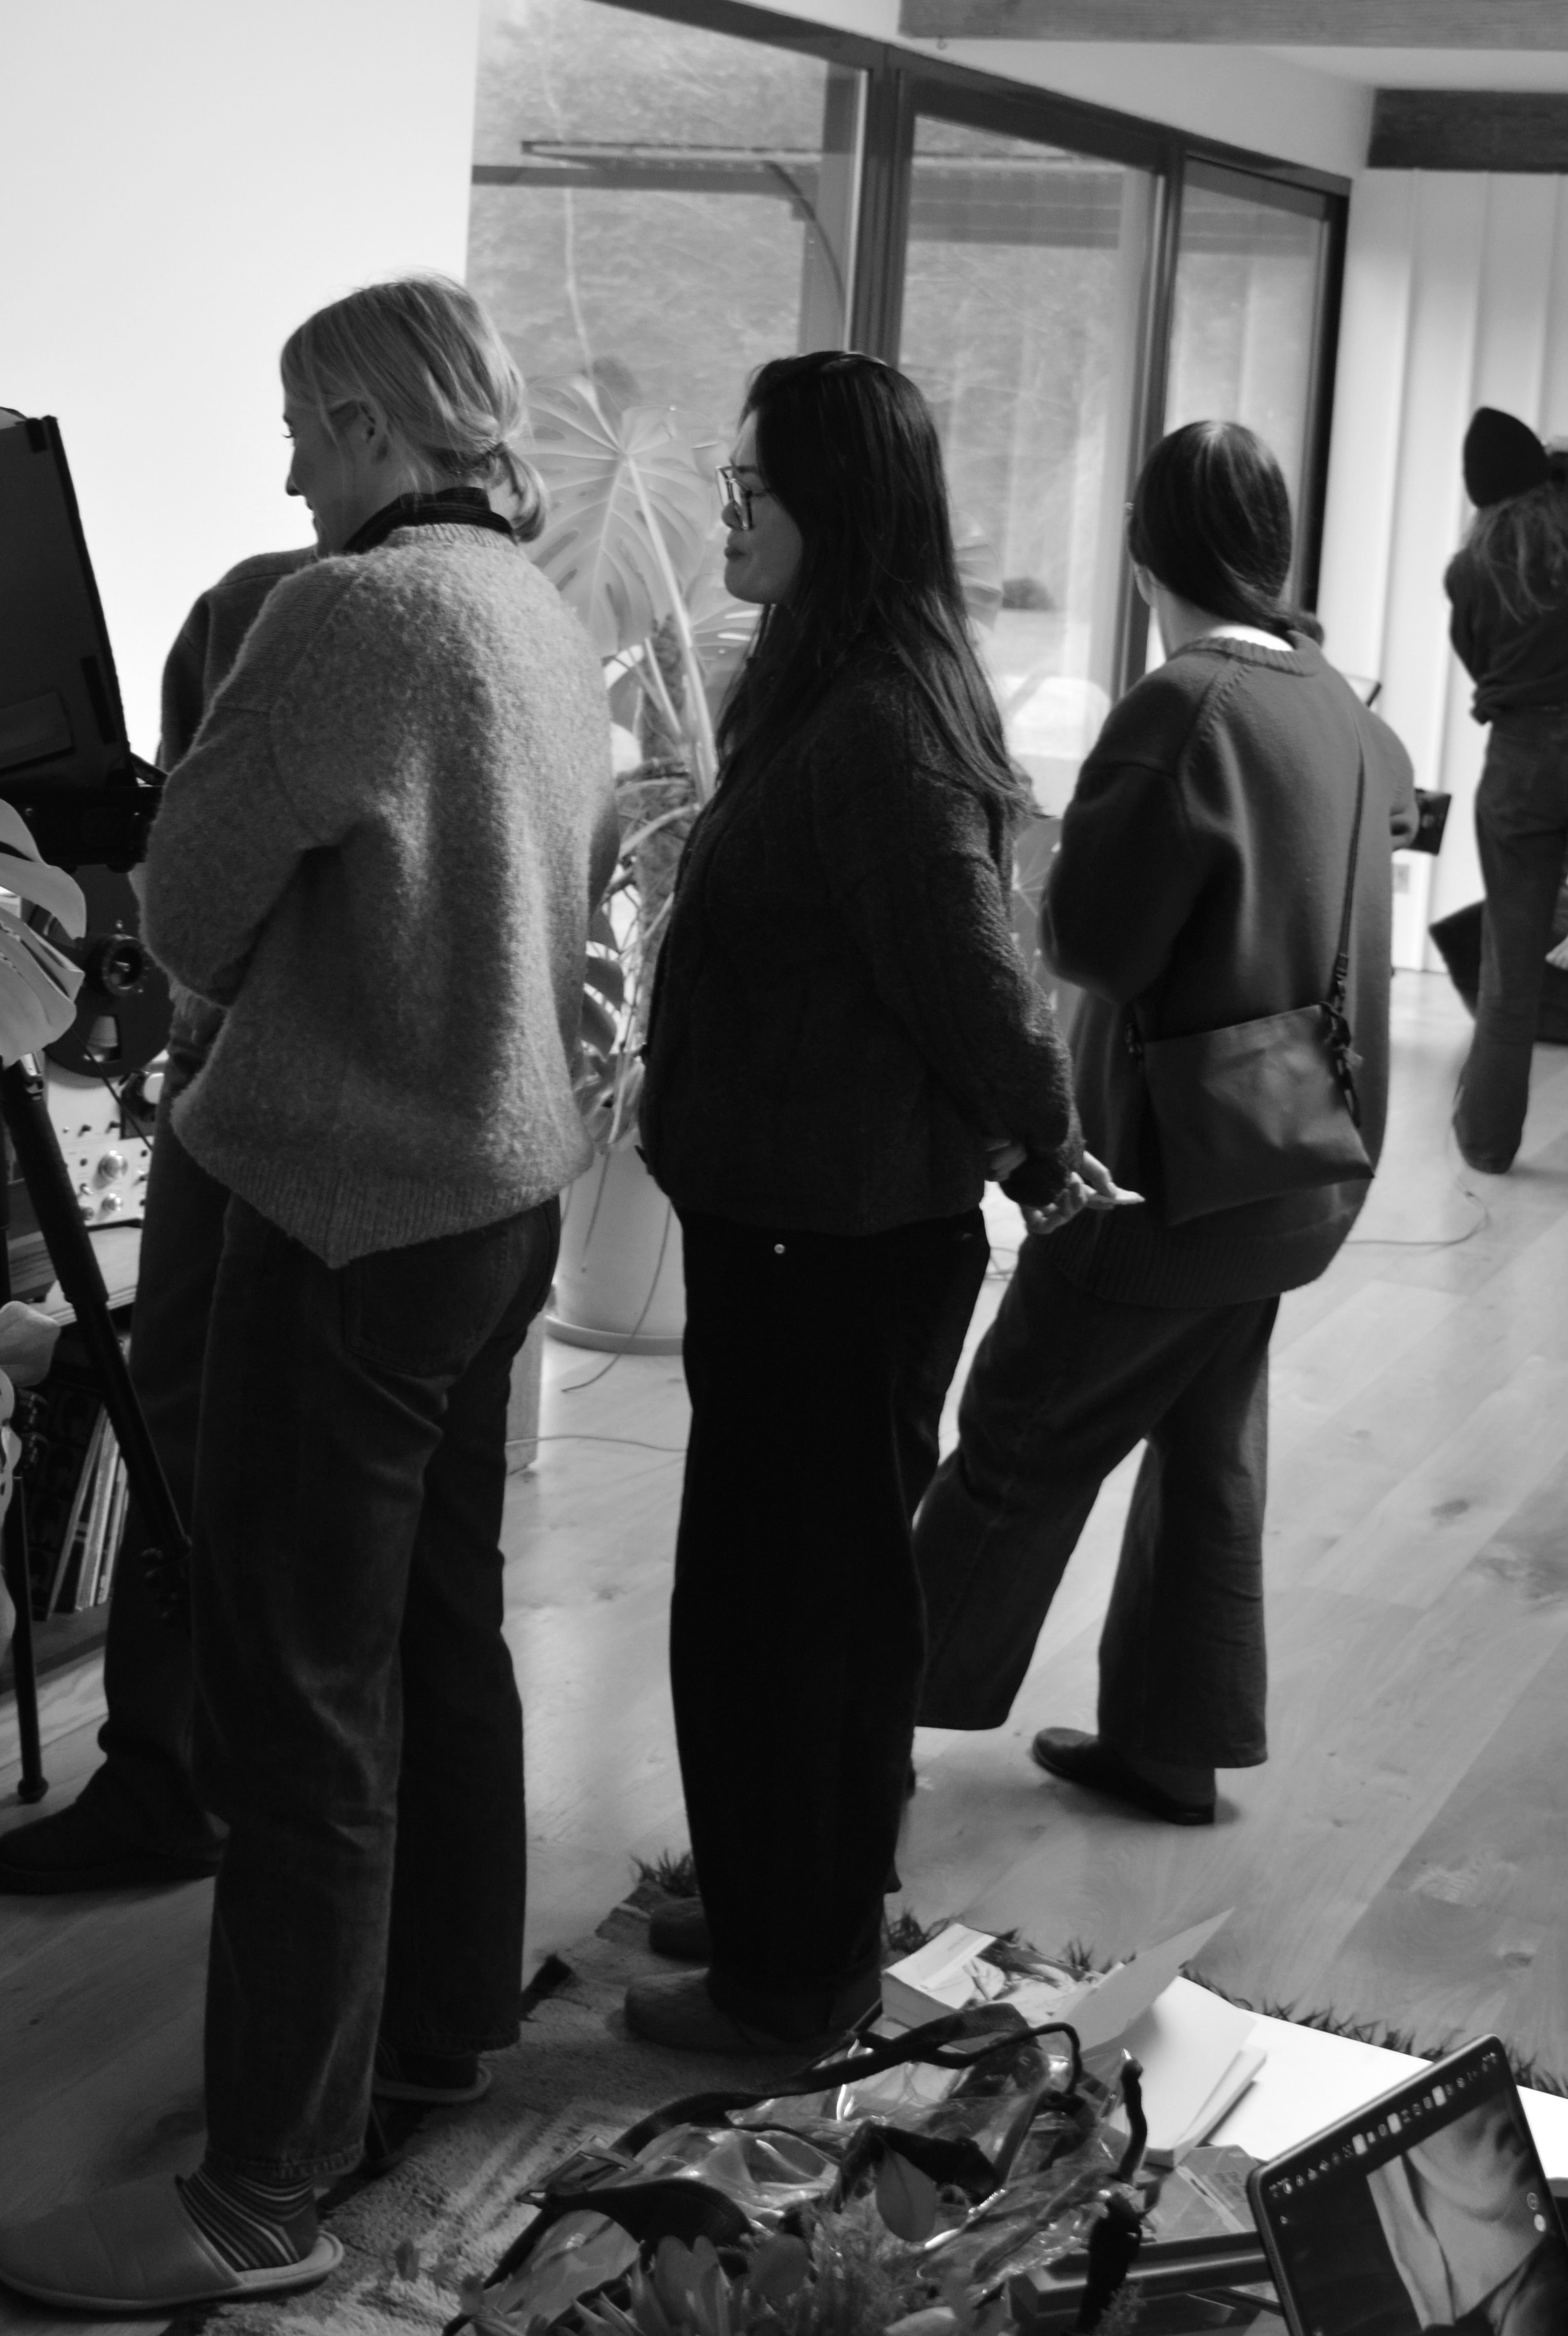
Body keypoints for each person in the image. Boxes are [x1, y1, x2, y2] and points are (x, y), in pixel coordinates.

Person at [0, 275, 617, 2315]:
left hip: (343, 1211)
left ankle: (263, 2191)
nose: (284, 474)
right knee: (437, 1642)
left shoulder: (349, 615)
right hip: (496, 1193)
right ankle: (434, 2043)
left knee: (296, 1700)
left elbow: (186, 909)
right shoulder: (534, 610)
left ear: (365, 423)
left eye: (296, 428)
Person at [624, 350, 1112, 2061]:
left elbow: (975, 982)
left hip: (834, 1246)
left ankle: (798, 1973)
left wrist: (1045, 1145)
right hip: (793, 1226)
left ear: (837, 507)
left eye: (750, 487)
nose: (726, 514)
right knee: (767, 1599)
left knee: (798, 1614)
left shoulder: (882, 724)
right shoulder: (833, 685)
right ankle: (781, 1902)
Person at [913, 420, 1416, 1827]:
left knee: (1019, 1435)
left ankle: (852, 1753)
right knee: (1206, 1436)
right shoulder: (1335, 701)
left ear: (1145, 551)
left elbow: (1094, 943)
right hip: (1296, 1163)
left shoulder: (1181, 709)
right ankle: (1169, 1744)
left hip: (1164, 1175)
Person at [0, 540, 313, 1895]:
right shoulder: (488, 618)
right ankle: (244, 1774)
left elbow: (183, 907)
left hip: (246, 1108)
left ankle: (167, 1784)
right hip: (409, 1151)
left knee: (179, 1421)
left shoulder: (261, 611)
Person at [1444, 405, 1568, 1175]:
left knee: (1511, 970)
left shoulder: (1472, 570)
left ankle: (1488, 1145)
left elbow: (1478, 661)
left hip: (1520, 761)